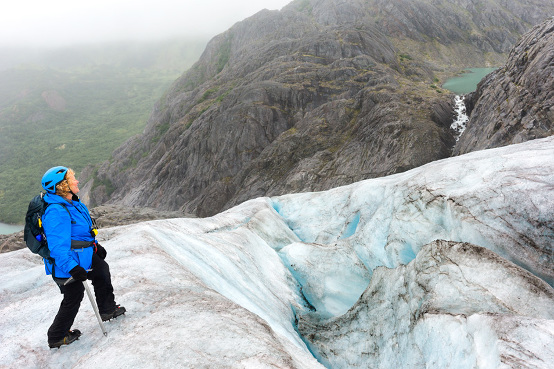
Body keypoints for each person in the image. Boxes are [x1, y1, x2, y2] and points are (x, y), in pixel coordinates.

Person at [40, 166, 125, 348]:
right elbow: (57, 247)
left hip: (82, 255)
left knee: (101, 270)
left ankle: (107, 309)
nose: (77, 181)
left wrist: (95, 245)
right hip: (66, 262)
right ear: (62, 186)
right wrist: (71, 267)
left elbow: (80, 233)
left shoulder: (72, 203)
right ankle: (56, 336)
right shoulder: (56, 211)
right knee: (74, 295)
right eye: (72, 179)